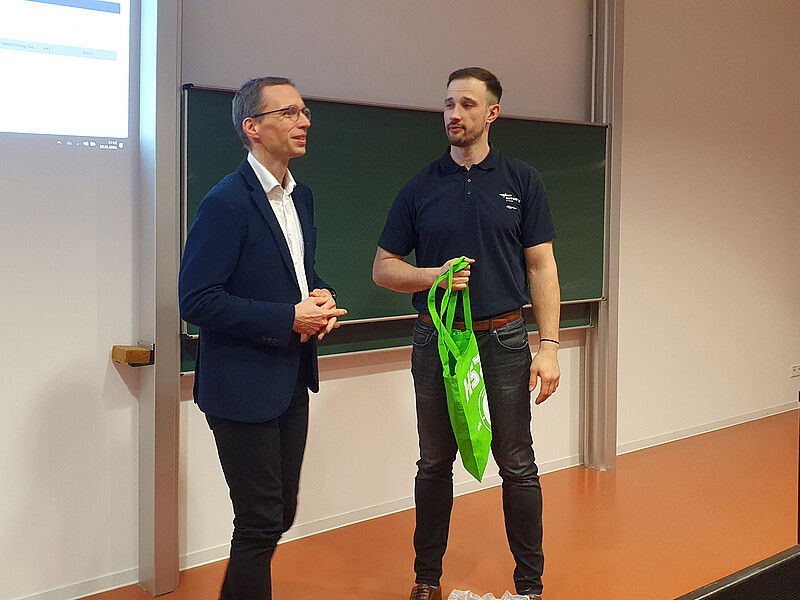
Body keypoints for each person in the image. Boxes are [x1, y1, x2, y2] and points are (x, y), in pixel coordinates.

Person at [373, 67, 561, 600]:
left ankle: (530, 588)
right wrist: (434, 275)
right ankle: (426, 581)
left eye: (467, 105)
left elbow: (542, 267)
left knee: (516, 463)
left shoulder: (522, 181)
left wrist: (548, 347)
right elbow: (383, 269)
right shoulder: (420, 188)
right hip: (436, 341)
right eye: (449, 104)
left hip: (503, 340)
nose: (454, 114)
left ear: (492, 113)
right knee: (434, 462)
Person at [179, 76, 347, 600]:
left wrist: (319, 300)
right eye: (290, 112)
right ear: (253, 127)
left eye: (305, 110)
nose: (305, 121)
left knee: (278, 513)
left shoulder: (302, 198)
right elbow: (197, 300)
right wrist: (286, 319)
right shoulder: (227, 202)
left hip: (290, 377)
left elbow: (297, 275)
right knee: (258, 521)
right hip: (240, 385)